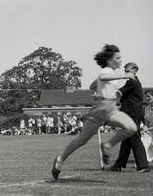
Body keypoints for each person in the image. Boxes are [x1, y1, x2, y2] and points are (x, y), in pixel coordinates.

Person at [51, 44, 138, 180]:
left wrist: (111, 91)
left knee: (132, 128)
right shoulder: (108, 71)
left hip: (110, 109)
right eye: (118, 58)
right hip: (100, 109)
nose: (121, 60)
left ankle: (108, 145)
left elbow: (93, 85)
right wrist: (124, 76)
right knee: (81, 140)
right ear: (110, 60)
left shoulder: (112, 74)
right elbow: (102, 77)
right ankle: (59, 160)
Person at [109, 63, 149, 172]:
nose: (125, 73)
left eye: (127, 71)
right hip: (130, 113)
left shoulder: (133, 81)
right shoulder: (132, 82)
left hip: (132, 114)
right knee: (127, 140)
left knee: (135, 139)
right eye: (125, 70)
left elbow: (119, 92)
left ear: (135, 70)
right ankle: (118, 165)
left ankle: (143, 166)